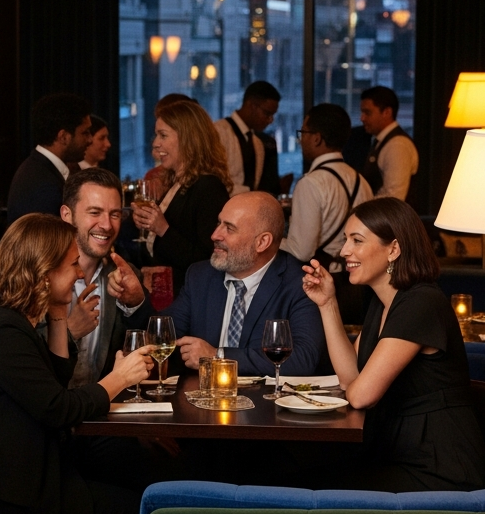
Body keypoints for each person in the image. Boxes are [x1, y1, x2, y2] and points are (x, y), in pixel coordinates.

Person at [0, 213, 153, 514]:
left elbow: (54, 381)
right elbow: (58, 408)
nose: (80, 274)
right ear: (45, 272)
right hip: (20, 504)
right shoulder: (1, 330)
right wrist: (119, 378)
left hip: (27, 477)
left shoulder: (4, 318)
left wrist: (59, 314)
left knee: (128, 464)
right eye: (73, 265)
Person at [301, 197, 485, 492]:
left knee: (313, 484)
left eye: (356, 240)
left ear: (394, 249)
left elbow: (361, 396)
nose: (344, 251)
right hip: (397, 452)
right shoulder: (383, 303)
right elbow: (350, 378)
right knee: (297, 473)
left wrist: (356, 388)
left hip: (440, 466)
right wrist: (327, 303)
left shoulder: (420, 302)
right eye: (346, 240)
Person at [164, 192, 324, 376]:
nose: (215, 235)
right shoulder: (201, 276)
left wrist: (218, 356)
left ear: (262, 242)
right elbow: (163, 335)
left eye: (229, 228)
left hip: (265, 395)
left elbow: (303, 359)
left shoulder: (300, 284)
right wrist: (138, 302)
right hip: (203, 392)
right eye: (219, 223)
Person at [59, 168, 154, 387]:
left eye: (115, 214)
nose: (107, 225)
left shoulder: (125, 274)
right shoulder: (37, 275)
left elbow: (152, 349)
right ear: (67, 215)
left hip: (104, 406)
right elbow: (18, 357)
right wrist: (70, 332)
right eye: (95, 212)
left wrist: (136, 302)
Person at [281, 103, 373, 324]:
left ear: (316, 138)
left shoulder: (310, 183)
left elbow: (302, 250)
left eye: (303, 132)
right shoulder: (361, 181)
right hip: (357, 283)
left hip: (324, 284)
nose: (301, 140)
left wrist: (270, 240)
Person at [132, 100, 232, 295]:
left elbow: (211, 260)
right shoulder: (177, 182)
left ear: (188, 139)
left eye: (163, 135)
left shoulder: (208, 187)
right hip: (167, 294)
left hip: (190, 299)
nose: (155, 143)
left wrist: (162, 229)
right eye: (156, 135)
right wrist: (147, 226)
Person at [6, 93, 93, 224]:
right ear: (63, 137)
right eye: (85, 132)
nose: (90, 139)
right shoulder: (44, 186)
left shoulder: (39, 168)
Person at [213, 81, 283, 196]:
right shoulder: (218, 132)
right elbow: (214, 182)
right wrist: (251, 192)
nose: (270, 120)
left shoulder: (258, 144)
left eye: (272, 115)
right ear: (252, 106)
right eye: (267, 114)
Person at [359, 86, 419, 202]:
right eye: (362, 112)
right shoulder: (382, 141)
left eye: (367, 112)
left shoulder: (397, 145)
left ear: (387, 112)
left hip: (388, 214)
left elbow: (394, 196)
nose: (362, 118)